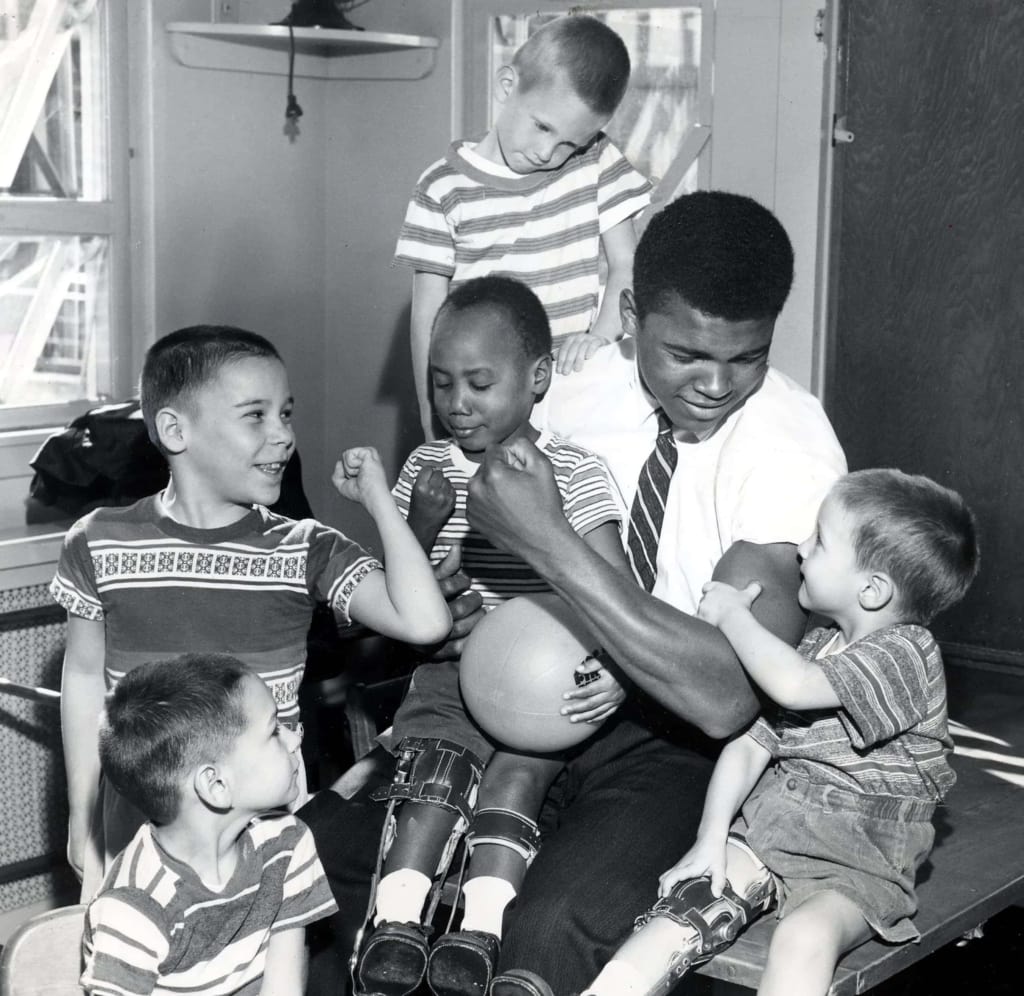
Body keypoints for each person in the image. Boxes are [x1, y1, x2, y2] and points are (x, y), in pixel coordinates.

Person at [455, 190, 850, 996]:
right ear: (630, 314)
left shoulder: (790, 443)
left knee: (550, 927)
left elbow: (724, 695)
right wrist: (465, 594)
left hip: (682, 739)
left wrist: (551, 544)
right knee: (366, 858)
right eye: (684, 354)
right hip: (536, 693)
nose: (714, 384)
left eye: (746, 357)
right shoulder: (565, 394)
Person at [51, 325, 451, 901]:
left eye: (286, 414)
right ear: (174, 430)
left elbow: (425, 623)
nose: (284, 435)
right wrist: (81, 812)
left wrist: (379, 503)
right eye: (256, 416)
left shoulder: (305, 547)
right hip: (138, 820)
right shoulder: (97, 542)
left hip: (264, 829)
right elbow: (85, 679)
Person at [578, 468, 980, 996]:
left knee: (802, 937)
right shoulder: (817, 645)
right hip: (773, 828)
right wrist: (712, 836)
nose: (801, 549)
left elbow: (793, 686)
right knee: (679, 917)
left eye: (820, 541)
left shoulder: (907, 653)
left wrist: (731, 616)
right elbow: (747, 745)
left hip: (862, 861)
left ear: (873, 589)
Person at [349, 275, 631, 996]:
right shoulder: (425, 467)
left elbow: (613, 589)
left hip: (542, 687)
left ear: (538, 379)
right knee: (436, 774)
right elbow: (395, 597)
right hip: (453, 674)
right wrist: (417, 521)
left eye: (479, 382)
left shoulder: (572, 470)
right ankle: (397, 922)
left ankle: (478, 931)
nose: (456, 403)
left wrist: (606, 665)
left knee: (513, 780)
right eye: (442, 384)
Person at [394, 13, 651, 440]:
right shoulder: (441, 188)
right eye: (542, 126)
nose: (548, 152)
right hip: (480, 397)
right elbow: (427, 317)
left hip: (572, 388)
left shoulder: (598, 161)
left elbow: (627, 263)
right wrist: (430, 413)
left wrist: (603, 338)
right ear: (507, 86)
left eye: (572, 142)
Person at [80, 653, 338, 995]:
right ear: (216, 786)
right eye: (274, 730)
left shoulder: (287, 842)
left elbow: (284, 986)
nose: (294, 739)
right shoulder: (135, 908)